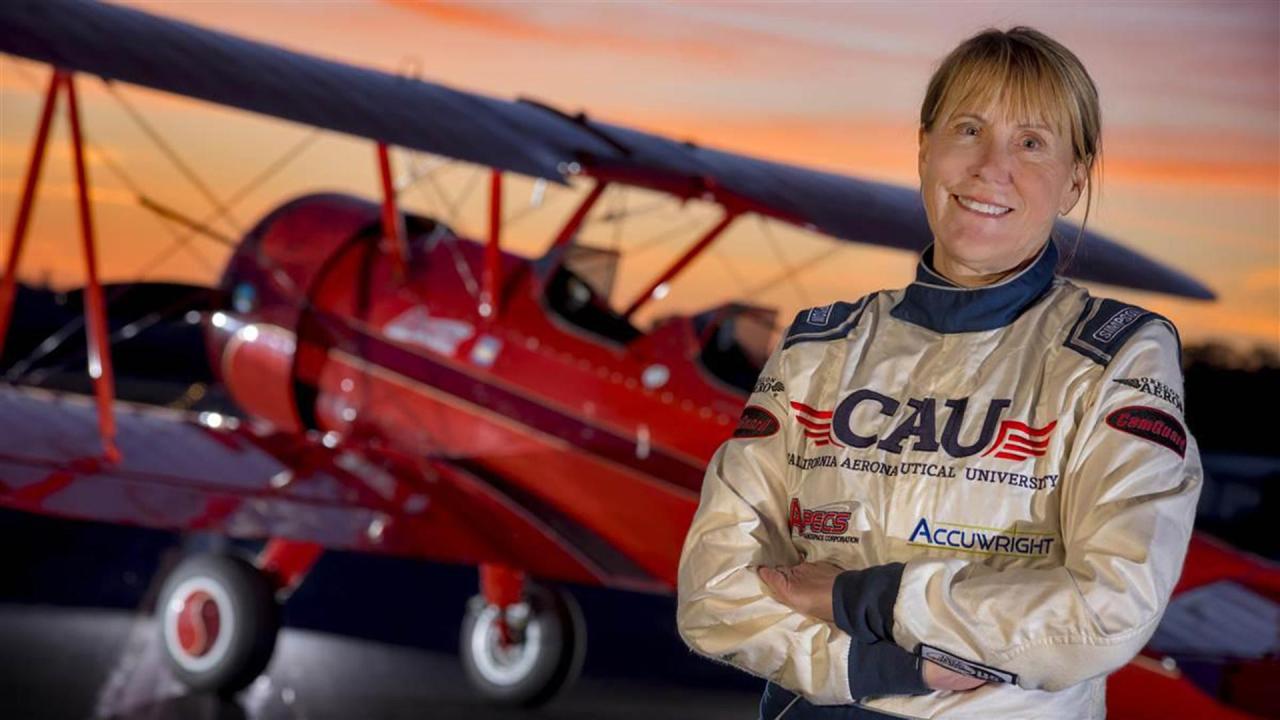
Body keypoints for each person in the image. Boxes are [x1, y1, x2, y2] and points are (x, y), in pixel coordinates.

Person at [676, 26, 1202, 720]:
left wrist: (858, 598)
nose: (992, 167)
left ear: (1075, 180)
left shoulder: (1119, 355)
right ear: (924, 148)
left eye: (1032, 143)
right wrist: (872, 664)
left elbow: (1107, 609)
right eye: (969, 128)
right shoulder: (818, 347)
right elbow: (711, 592)